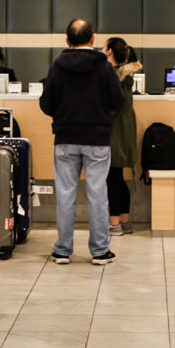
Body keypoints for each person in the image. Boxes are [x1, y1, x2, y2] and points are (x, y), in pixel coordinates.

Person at [39, 19, 124, 264]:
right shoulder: (104, 67)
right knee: (98, 196)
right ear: (93, 38)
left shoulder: (57, 66)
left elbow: (46, 104)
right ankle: (99, 251)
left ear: (67, 41)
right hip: (97, 140)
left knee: (66, 196)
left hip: (65, 139)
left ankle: (63, 250)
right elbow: (118, 102)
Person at [102, 37, 142, 236]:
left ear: (109, 51)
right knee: (117, 177)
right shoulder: (123, 76)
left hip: (115, 133)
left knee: (112, 178)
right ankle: (124, 220)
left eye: (103, 46)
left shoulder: (116, 76)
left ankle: (115, 222)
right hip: (121, 131)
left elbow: (112, 106)